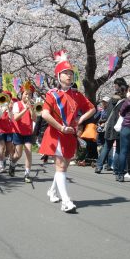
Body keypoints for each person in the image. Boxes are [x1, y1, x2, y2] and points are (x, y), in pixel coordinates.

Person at [40, 51, 95, 213]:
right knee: (61, 167)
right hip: (56, 134)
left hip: (70, 134)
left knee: (63, 167)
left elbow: (91, 109)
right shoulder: (52, 94)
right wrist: (60, 127)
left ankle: (52, 191)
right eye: (65, 73)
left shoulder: (77, 94)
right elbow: (45, 114)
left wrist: (80, 120)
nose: (69, 76)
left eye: (71, 73)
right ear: (58, 76)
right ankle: (66, 201)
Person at [94, 86, 127, 175]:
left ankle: (99, 166)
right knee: (118, 149)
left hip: (109, 126)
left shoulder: (110, 101)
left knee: (106, 146)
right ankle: (116, 169)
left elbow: (107, 114)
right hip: (119, 127)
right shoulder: (124, 102)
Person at [9, 81, 37, 183]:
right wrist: (25, 109)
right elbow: (16, 117)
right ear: (22, 94)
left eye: (30, 94)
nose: (28, 96)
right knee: (18, 155)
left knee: (29, 152)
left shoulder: (32, 105)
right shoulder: (17, 104)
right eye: (26, 93)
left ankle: (27, 173)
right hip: (18, 132)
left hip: (28, 132)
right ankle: (12, 164)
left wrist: (30, 109)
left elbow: (34, 118)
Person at [0, 91, 14, 172]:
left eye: (8, 97)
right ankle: (1, 165)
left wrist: (9, 109)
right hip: (0, 130)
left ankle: (4, 158)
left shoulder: (11, 107)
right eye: (5, 96)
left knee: (8, 149)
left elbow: (12, 118)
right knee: (2, 148)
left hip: (10, 131)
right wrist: (2, 108)